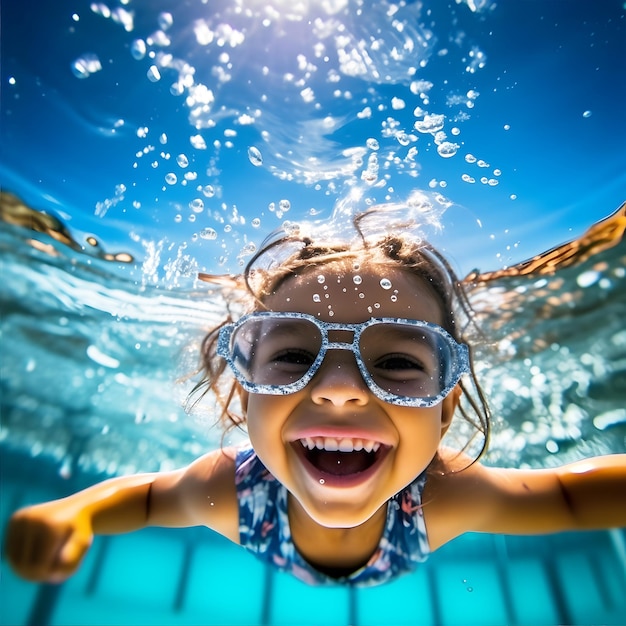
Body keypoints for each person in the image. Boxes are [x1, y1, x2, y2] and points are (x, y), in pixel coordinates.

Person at [5, 207, 626, 587]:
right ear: (242, 394)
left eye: (397, 361)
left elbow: (570, 500)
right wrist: (76, 512)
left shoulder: (444, 494)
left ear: (444, 405)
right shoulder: (231, 492)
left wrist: (78, 513)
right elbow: (143, 500)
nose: (337, 390)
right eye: (294, 356)